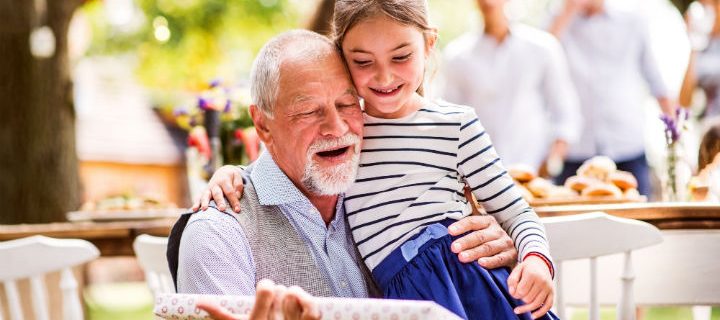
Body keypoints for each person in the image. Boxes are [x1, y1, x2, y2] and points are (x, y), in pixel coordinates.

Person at [197, 1, 558, 319]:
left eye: (401, 56)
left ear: (429, 45)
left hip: (459, 275)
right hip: (400, 288)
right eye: (363, 62)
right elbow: (286, 153)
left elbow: (516, 212)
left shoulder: (455, 125)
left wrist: (536, 259)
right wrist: (230, 174)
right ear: (341, 58)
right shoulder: (351, 128)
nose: (384, 76)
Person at [549, 0, 677, 196]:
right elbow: (541, 61)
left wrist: (676, 138)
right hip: (575, 149)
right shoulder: (556, 19)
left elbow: (655, 79)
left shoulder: (632, 19)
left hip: (626, 144)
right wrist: (566, 13)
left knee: (638, 222)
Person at [441, 0, 581, 176]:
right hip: (481, 175)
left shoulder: (542, 47)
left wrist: (552, 163)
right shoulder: (457, 56)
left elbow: (565, 111)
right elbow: (450, 120)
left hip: (534, 169)